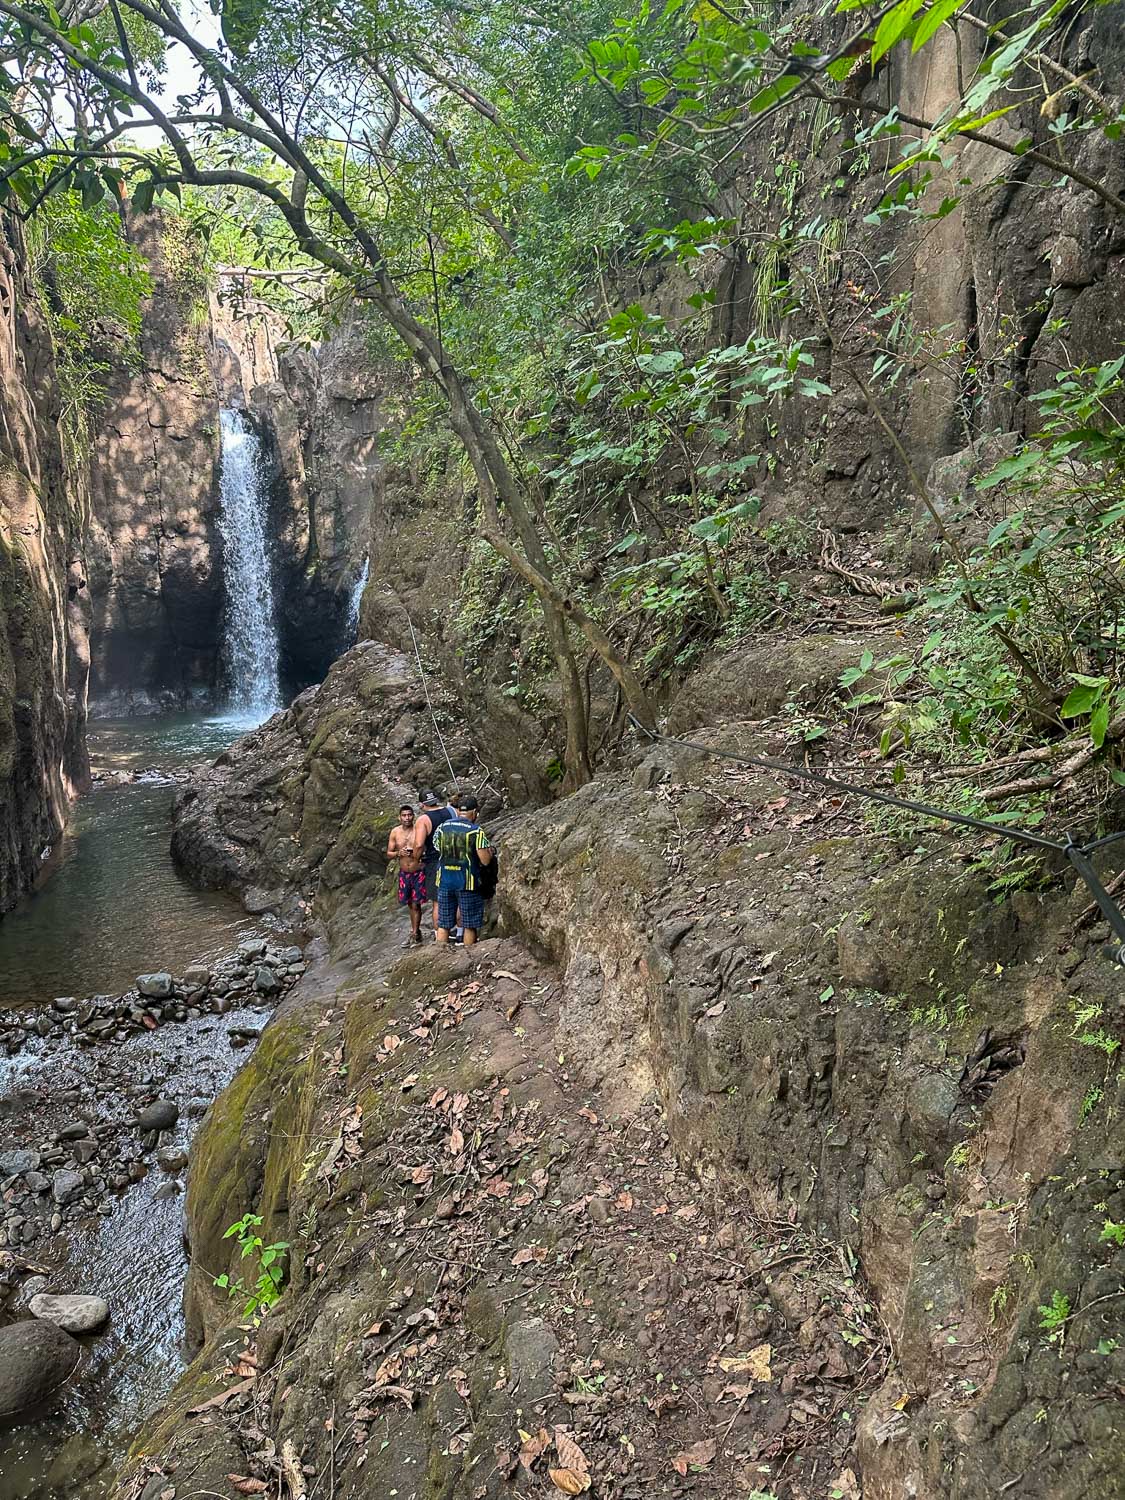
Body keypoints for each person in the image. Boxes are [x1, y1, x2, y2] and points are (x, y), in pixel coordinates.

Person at [433, 796, 493, 946]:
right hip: (467, 882)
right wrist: (489, 852)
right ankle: (468, 958)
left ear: (458, 811)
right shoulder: (476, 831)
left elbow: (437, 848)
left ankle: (439, 957)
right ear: (474, 812)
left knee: (444, 923)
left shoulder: (442, 827)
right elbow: (485, 860)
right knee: (469, 924)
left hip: (444, 880)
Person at [412, 790, 455, 935]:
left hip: (434, 861)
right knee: (458, 896)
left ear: (422, 805)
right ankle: (460, 932)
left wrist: (415, 861)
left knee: (438, 901)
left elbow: (418, 844)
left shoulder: (423, 820)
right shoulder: (451, 812)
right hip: (455, 857)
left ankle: (440, 935)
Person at [386, 805, 424, 945]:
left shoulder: (419, 831)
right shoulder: (395, 832)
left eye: (409, 815)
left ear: (413, 816)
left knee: (416, 904)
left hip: (418, 871)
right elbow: (389, 853)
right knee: (409, 904)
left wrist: (416, 852)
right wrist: (398, 853)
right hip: (404, 873)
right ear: (399, 817)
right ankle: (416, 931)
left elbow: (425, 849)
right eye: (404, 815)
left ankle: (414, 933)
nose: (407, 818)